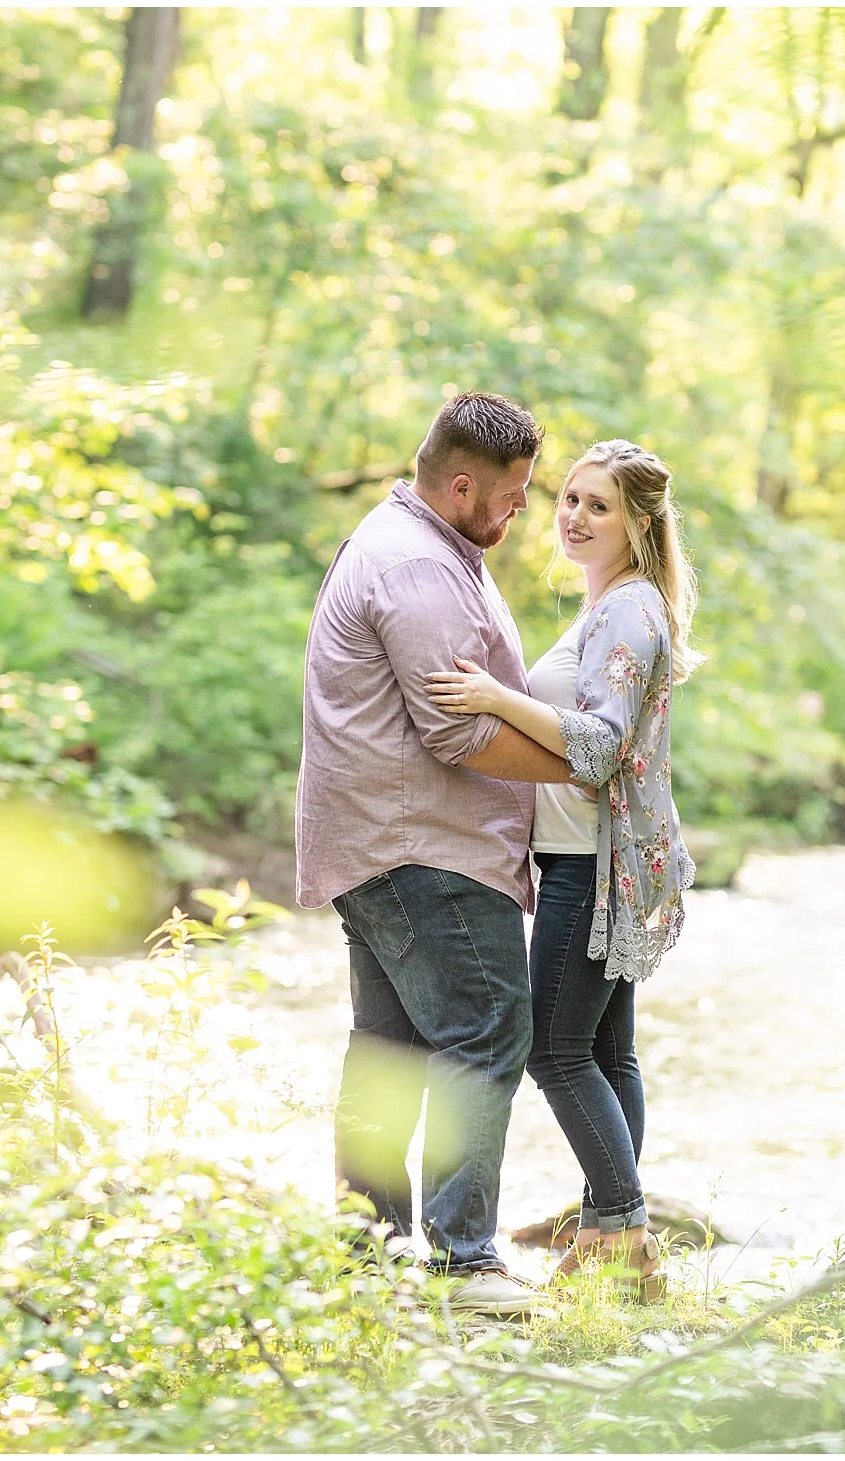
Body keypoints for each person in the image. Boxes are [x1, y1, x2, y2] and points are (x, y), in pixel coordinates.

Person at [294, 391, 571, 1317]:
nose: (522, 509)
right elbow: (459, 734)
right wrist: (588, 764)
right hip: (424, 850)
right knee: (488, 1026)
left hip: (380, 843)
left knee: (388, 1050)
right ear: (461, 487)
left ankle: (365, 1252)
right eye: (514, 493)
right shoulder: (416, 566)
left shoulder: (413, 542)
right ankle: (463, 1263)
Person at [425, 438, 701, 1303]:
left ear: (640, 523)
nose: (574, 517)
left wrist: (496, 698)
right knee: (607, 1052)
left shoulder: (628, 610)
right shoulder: (611, 604)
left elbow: (599, 746)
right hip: (591, 855)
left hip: (592, 861)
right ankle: (602, 1233)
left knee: (554, 1048)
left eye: (599, 505)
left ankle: (626, 1235)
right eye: (570, 499)